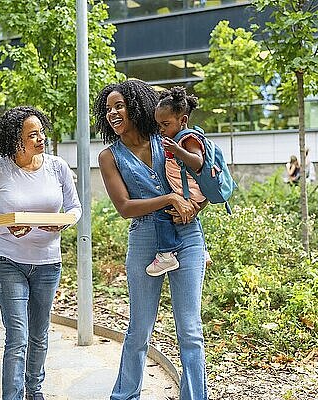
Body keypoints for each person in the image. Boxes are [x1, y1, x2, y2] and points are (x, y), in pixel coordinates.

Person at [93, 79, 209, 400]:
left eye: (120, 105)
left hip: (186, 235)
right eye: (109, 109)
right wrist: (170, 198)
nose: (114, 112)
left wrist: (194, 208)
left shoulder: (166, 137)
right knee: (140, 329)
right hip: (145, 238)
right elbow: (125, 207)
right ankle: (125, 395)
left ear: (136, 105)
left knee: (190, 331)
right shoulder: (109, 157)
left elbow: (207, 177)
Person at [0, 106, 82, 400]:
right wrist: (6, 228)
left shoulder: (57, 167)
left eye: (41, 132)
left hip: (48, 264)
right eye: (32, 135)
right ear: (14, 139)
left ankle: (35, 393)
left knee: (39, 334)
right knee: (18, 336)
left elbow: (75, 208)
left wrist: (62, 224)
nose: (41, 138)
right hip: (8, 262)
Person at [148, 86, 212, 277]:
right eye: (158, 124)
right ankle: (203, 251)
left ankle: (166, 254)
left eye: (165, 124)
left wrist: (177, 151)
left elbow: (198, 161)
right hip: (186, 191)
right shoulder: (175, 138)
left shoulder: (188, 138)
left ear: (182, 120)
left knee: (161, 212)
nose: (161, 129)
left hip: (190, 191)